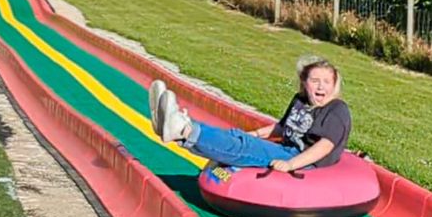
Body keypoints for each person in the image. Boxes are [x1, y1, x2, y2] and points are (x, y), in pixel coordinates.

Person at [149, 56, 351, 173]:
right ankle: (178, 129)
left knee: (245, 148)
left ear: (334, 85)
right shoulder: (300, 100)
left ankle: (183, 129)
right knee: (239, 137)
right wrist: (254, 133)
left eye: (326, 82)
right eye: (315, 80)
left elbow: (324, 147)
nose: (320, 86)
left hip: (303, 161)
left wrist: (291, 164)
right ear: (304, 83)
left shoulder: (336, 110)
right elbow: (282, 128)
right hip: (286, 149)